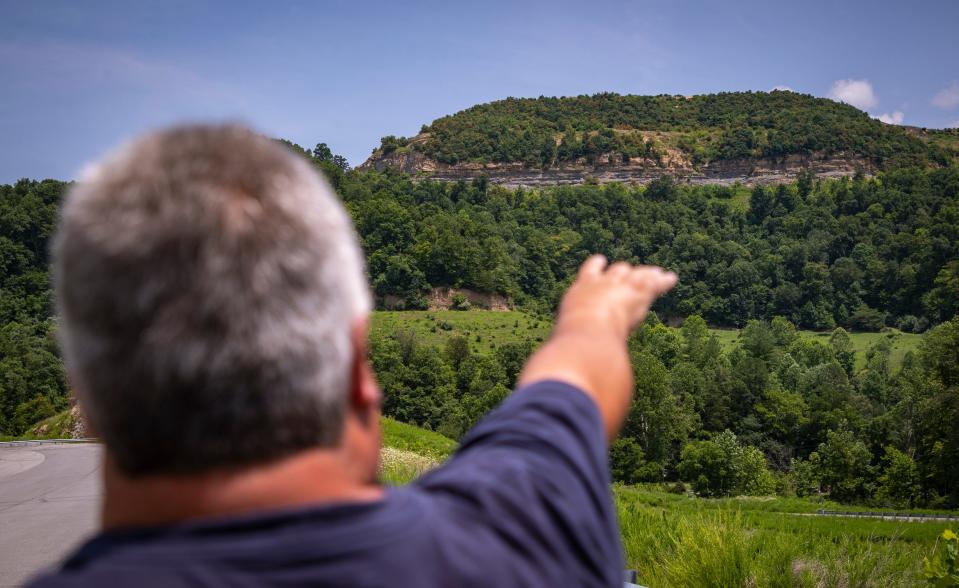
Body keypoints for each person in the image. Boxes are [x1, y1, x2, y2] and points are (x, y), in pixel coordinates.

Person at [30, 125, 677, 587]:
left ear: (83, 398)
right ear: (356, 369)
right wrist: (595, 313)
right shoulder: (516, 528)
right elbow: (572, 383)